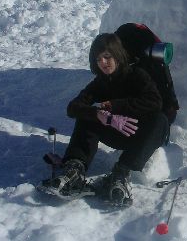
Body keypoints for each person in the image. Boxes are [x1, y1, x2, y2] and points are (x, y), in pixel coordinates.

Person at [42, 33, 168, 205]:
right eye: (99, 59)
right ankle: (74, 170)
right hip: (115, 133)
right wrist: (99, 115)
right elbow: (72, 107)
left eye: (107, 57)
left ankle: (120, 174)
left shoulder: (137, 75)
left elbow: (155, 102)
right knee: (87, 114)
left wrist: (114, 106)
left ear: (117, 55)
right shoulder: (100, 83)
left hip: (138, 135)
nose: (103, 63)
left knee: (160, 121)